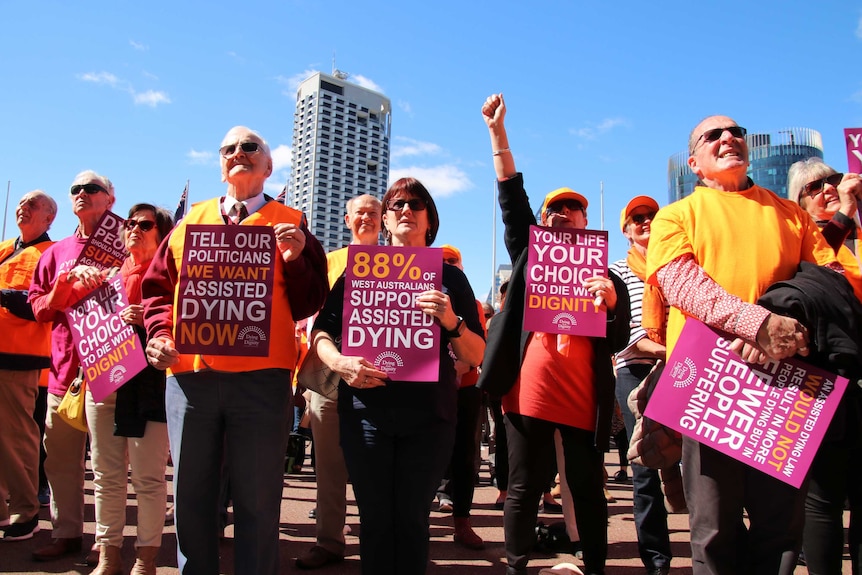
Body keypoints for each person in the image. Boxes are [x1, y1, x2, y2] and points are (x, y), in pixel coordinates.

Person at [646, 116, 862, 574]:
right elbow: (682, 284)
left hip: (787, 384)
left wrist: (787, 325)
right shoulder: (676, 215)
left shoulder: (792, 214)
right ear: (695, 163)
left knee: (780, 528)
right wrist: (756, 325)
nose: (729, 138)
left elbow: (832, 280)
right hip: (711, 389)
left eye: (736, 132)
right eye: (713, 136)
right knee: (713, 528)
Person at [142, 126, 328, 575]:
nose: (239, 153)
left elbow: (311, 301)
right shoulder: (190, 222)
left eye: (251, 147)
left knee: (259, 500)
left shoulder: (292, 222)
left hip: (262, 382)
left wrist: (299, 260)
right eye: (229, 148)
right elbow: (157, 292)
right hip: (190, 379)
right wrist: (160, 334)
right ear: (220, 163)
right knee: (191, 498)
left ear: (268, 166)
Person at [479, 93, 630, 575]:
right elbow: (510, 195)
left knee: (586, 488)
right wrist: (497, 135)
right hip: (529, 392)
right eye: (554, 209)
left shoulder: (608, 276)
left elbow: (621, 335)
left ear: (588, 222)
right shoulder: (528, 255)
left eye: (573, 208)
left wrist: (609, 303)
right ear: (542, 223)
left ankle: (596, 564)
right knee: (523, 485)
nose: (563, 213)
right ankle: (516, 564)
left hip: (584, 397)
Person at [311, 177, 485, 575]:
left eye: (417, 204)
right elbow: (322, 332)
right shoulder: (361, 269)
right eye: (397, 204)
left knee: (410, 521)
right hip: (367, 414)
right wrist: (340, 363)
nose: (407, 210)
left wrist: (451, 321)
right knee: (374, 522)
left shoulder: (450, 277)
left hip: (429, 419)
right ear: (385, 220)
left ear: (429, 220)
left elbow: (476, 354)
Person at [29, 171, 117, 561]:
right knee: (61, 459)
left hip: (111, 365)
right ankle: (65, 533)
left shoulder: (126, 242)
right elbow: (40, 310)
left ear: (109, 199)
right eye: (76, 189)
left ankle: (106, 540)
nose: (83, 193)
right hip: (64, 372)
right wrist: (65, 283)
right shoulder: (54, 253)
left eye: (92, 188)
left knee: (107, 463)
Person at [83, 204, 174, 575]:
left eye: (144, 224)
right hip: (103, 383)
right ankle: (108, 555)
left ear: (161, 232)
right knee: (106, 475)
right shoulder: (105, 279)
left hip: (149, 387)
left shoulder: (173, 279)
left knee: (149, 478)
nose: (134, 229)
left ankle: (145, 558)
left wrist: (151, 318)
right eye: (129, 223)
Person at [296, 193, 382, 570]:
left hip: (381, 373)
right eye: (359, 213)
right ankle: (329, 541)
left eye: (373, 213)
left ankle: (377, 542)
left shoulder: (401, 262)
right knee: (328, 464)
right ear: (347, 220)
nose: (366, 218)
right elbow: (310, 319)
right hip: (329, 372)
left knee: (376, 465)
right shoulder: (328, 263)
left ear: (383, 219)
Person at [787, 158, 862, 575]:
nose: (828, 188)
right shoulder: (799, 239)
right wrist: (845, 213)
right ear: (798, 202)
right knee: (825, 500)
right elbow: (819, 269)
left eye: (833, 180)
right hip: (824, 380)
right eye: (814, 186)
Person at [608, 195, 672, 575]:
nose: (646, 221)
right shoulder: (617, 270)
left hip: (685, 371)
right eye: (637, 218)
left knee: (701, 465)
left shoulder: (679, 262)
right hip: (636, 373)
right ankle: (656, 559)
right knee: (645, 470)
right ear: (626, 230)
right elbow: (625, 333)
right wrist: (672, 349)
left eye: (652, 215)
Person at [0, 190, 56, 541]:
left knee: (17, 437)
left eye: (32, 204)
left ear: (49, 218)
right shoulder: (6, 247)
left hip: (19, 358)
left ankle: (25, 512)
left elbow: (43, 305)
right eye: (21, 203)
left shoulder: (51, 255)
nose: (23, 207)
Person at [434, 243, 487, 550]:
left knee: (465, 454)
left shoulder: (473, 302)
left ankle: (462, 522)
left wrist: (460, 366)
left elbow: (478, 343)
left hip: (466, 385)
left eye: (452, 261)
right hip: (432, 385)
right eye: (442, 262)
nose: (447, 265)